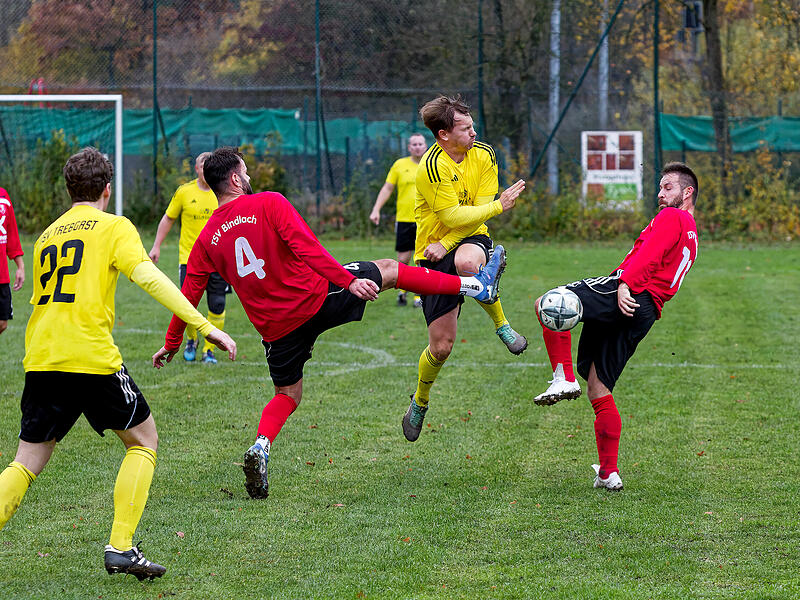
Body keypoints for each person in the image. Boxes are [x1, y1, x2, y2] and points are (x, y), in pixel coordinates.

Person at [152, 146, 508, 500]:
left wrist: (171, 343)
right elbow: (308, 247)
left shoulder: (205, 239)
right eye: (244, 173)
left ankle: (261, 447)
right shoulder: (268, 202)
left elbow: (187, 296)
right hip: (315, 298)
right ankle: (474, 284)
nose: (248, 178)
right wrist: (347, 280)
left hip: (276, 329)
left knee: (287, 395)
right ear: (234, 178)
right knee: (389, 269)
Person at [0, 147, 237, 580]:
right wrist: (204, 326)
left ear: (69, 188)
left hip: (41, 357)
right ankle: (121, 546)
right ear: (107, 189)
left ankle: (123, 548)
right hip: (88, 355)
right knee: (144, 440)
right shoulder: (113, 226)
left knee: (26, 462)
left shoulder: (49, 234)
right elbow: (148, 275)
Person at [533, 162, 699, 491]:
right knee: (598, 387)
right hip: (647, 310)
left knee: (548, 302)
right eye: (660, 187)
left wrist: (625, 282)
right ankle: (608, 472)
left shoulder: (673, 217)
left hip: (631, 292)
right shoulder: (693, 231)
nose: (660, 194)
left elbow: (650, 254)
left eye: (667, 187)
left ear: (687, 192)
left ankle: (562, 378)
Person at [402, 95, 526, 443]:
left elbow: (480, 212)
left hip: (472, 238)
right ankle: (420, 401)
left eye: (472, 126)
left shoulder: (484, 154)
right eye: (466, 128)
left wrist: (456, 237)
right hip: (431, 252)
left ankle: (502, 325)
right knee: (441, 347)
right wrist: (499, 207)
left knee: (469, 262)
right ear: (443, 134)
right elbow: (452, 216)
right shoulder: (430, 166)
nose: (474, 132)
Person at [149, 152, 228, 364]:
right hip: (190, 260)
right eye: (202, 166)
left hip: (218, 260)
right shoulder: (184, 192)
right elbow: (168, 219)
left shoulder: (222, 192)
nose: (205, 169)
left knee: (217, 304)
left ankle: (208, 351)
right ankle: (191, 340)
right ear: (196, 168)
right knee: (187, 305)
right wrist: (156, 245)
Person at [369, 133, 428, 307]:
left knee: (421, 259)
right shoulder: (399, 165)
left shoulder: (431, 164)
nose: (417, 147)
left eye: (420, 144)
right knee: (403, 260)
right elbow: (387, 188)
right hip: (403, 219)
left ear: (425, 146)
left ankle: (419, 297)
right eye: (414, 144)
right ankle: (402, 292)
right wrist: (376, 209)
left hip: (425, 220)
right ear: (409, 147)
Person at [0, 187, 24, 334]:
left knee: (2, 323)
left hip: (2, 275)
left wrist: (20, 266)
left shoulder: (3, 195)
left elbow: (11, 233)